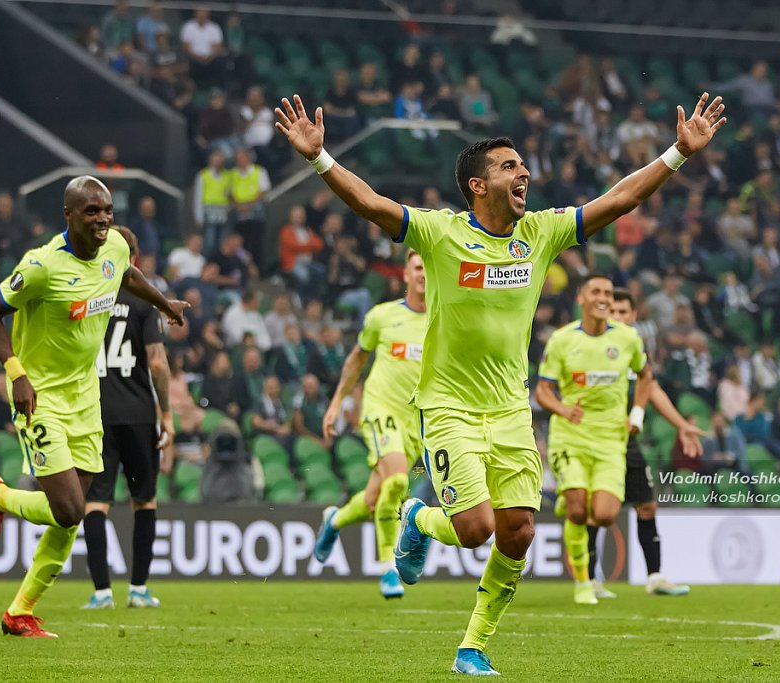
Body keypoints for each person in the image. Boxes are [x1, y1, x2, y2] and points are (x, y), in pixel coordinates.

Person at [275, 89, 726, 675]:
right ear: (477, 185)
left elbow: (619, 200)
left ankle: (472, 647)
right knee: (474, 528)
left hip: (511, 411)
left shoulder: (539, 234)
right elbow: (372, 205)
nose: (525, 173)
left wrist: (678, 154)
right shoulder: (439, 234)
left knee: (516, 534)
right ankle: (418, 518)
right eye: (510, 166)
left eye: (524, 165)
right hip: (448, 407)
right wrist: (318, 159)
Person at [0, 176, 186, 637]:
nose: (103, 218)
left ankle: (19, 612)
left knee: (74, 511)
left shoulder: (114, 248)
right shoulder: (42, 266)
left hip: (87, 398)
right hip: (40, 399)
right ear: (68, 215)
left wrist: (163, 302)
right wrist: (17, 373)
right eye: (91, 211)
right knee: (70, 510)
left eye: (107, 209)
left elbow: (128, 274)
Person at [314, 250, 427, 599]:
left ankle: (333, 521)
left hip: (416, 420)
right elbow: (355, 361)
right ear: (405, 275)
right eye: (418, 268)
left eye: (428, 268)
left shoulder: (444, 319)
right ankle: (387, 569)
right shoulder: (382, 316)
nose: (424, 274)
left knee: (375, 498)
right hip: (380, 409)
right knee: (395, 483)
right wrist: (335, 404)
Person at [535, 275, 653, 604]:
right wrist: (561, 407)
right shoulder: (562, 340)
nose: (603, 297)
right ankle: (584, 581)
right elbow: (542, 389)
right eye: (596, 292)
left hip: (610, 438)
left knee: (603, 514)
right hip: (571, 436)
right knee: (577, 511)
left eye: (606, 292)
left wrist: (638, 414)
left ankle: (569, 498)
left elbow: (646, 377)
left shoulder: (628, 338)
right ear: (581, 298)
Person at [582, 288, 704, 600]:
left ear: (634, 316)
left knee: (647, 504)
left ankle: (655, 576)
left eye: (625, 312)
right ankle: (589, 580)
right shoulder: (589, 344)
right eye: (614, 312)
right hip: (595, 438)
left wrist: (681, 426)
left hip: (627, 439)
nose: (619, 317)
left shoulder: (630, 347)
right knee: (597, 511)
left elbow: (651, 387)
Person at [82, 227, 175, 610]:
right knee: (145, 502)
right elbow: (156, 362)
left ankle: (102, 591)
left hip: (95, 415)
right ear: (134, 259)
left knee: (95, 504)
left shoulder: (88, 298)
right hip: (137, 416)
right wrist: (166, 413)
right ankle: (138, 589)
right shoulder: (142, 304)